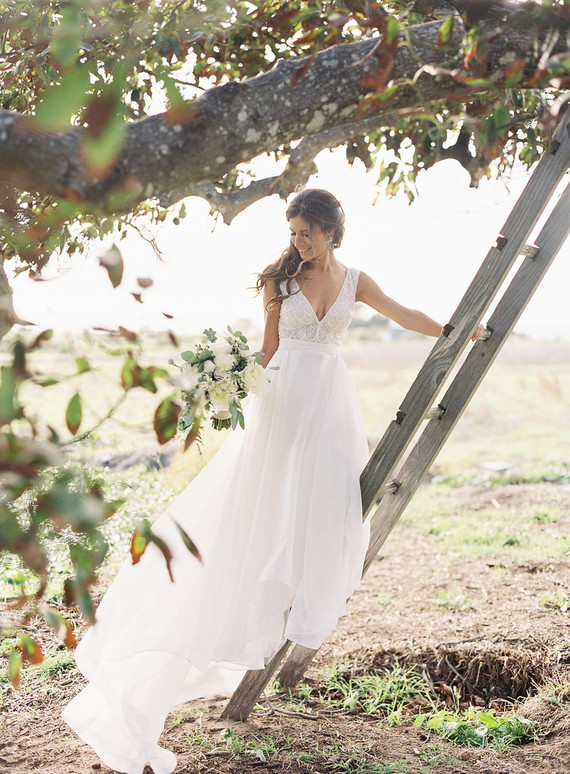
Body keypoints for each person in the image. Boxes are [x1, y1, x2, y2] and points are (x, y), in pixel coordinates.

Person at [62, 188, 476, 774]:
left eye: (308, 232)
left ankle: (295, 589)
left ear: (333, 230)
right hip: (280, 404)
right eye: (294, 233)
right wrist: (223, 380)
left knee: (325, 505)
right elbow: (270, 350)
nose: (299, 242)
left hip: (329, 405)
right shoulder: (278, 284)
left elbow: (405, 315)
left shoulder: (357, 279)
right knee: (259, 503)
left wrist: (461, 332)